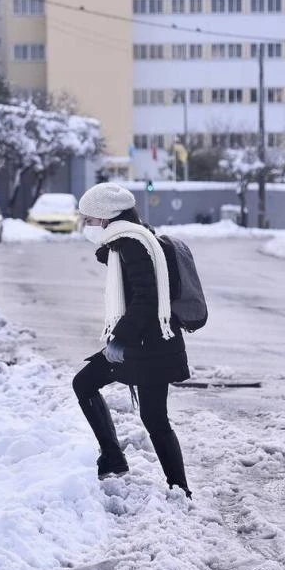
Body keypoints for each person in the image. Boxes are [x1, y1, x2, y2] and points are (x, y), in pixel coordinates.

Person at [72, 182, 192, 498]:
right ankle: (115, 458)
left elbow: (146, 298)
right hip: (146, 343)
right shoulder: (130, 240)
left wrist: (119, 340)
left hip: (149, 346)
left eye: (89, 219)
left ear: (106, 216)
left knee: (154, 417)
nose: (86, 225)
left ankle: (179, 488)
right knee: (86, 385)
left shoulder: (132, 245)